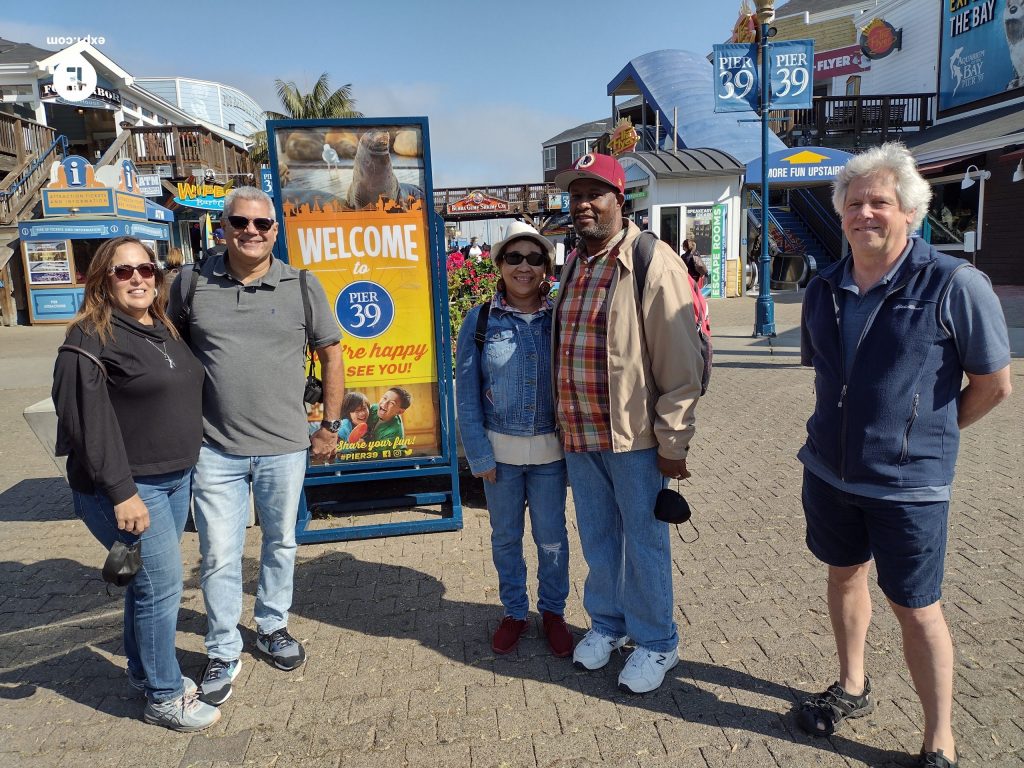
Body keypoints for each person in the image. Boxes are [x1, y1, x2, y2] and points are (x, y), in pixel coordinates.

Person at [796, 143, 1011, 768]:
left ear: (910, 212)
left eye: (880, 202)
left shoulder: (954, 284)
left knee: (917, 608)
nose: (866, 213)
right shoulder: (824, 288)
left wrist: (926, 440)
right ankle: (853, 685)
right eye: (854, 203)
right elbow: (829, 378)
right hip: (829, 472)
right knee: (842, 575)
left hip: (908, 489)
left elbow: (995, 385)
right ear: (840, 215)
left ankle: (939, 738)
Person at [168, 186, 344, 706]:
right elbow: (169, 353)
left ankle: (271, 625)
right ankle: (223, 648)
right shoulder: (191, 283)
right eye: (239, 222)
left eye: (261, 224)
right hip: (213, 447)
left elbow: (331, 355)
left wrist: (329, 426)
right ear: (222, 228)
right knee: (219, 553)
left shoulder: (302, 284)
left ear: (275, 230)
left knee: (281, 542)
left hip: (285, 445)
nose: (250, 232)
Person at [552, 153, 704, 694]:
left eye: (596, 194)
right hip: (580, 432)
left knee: (643, 542)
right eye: (576, 195)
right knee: (597, 537)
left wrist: (674, 440)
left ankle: (657, 641)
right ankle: (609, 625)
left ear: (621, 200)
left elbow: (681, 363)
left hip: (632, 437)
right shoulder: (573, 263)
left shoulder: (650, 259)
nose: (584, 204)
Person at [52, 237, 218, 732]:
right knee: (162, 588)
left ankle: (146, 675)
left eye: (147, 269)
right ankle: (165, 697)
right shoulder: (87, 340)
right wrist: (121, 493)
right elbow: (88, 427)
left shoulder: (160, 325)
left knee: (147, 587)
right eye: (124, 272)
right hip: (127, 488)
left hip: (172, 477)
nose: (139, 279)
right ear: (104, 279)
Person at [455, 221, 573, 658]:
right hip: (498, 458)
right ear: (500, 264)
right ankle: (515, 613)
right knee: (505, 538)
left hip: (551, 455)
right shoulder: (481, 319)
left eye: (534, 258)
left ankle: (554, 613)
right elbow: (465, 393)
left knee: (552, 538)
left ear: (546, 266)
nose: (524, 266)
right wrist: (478, 454)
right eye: (514, 258)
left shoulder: (561, 317)